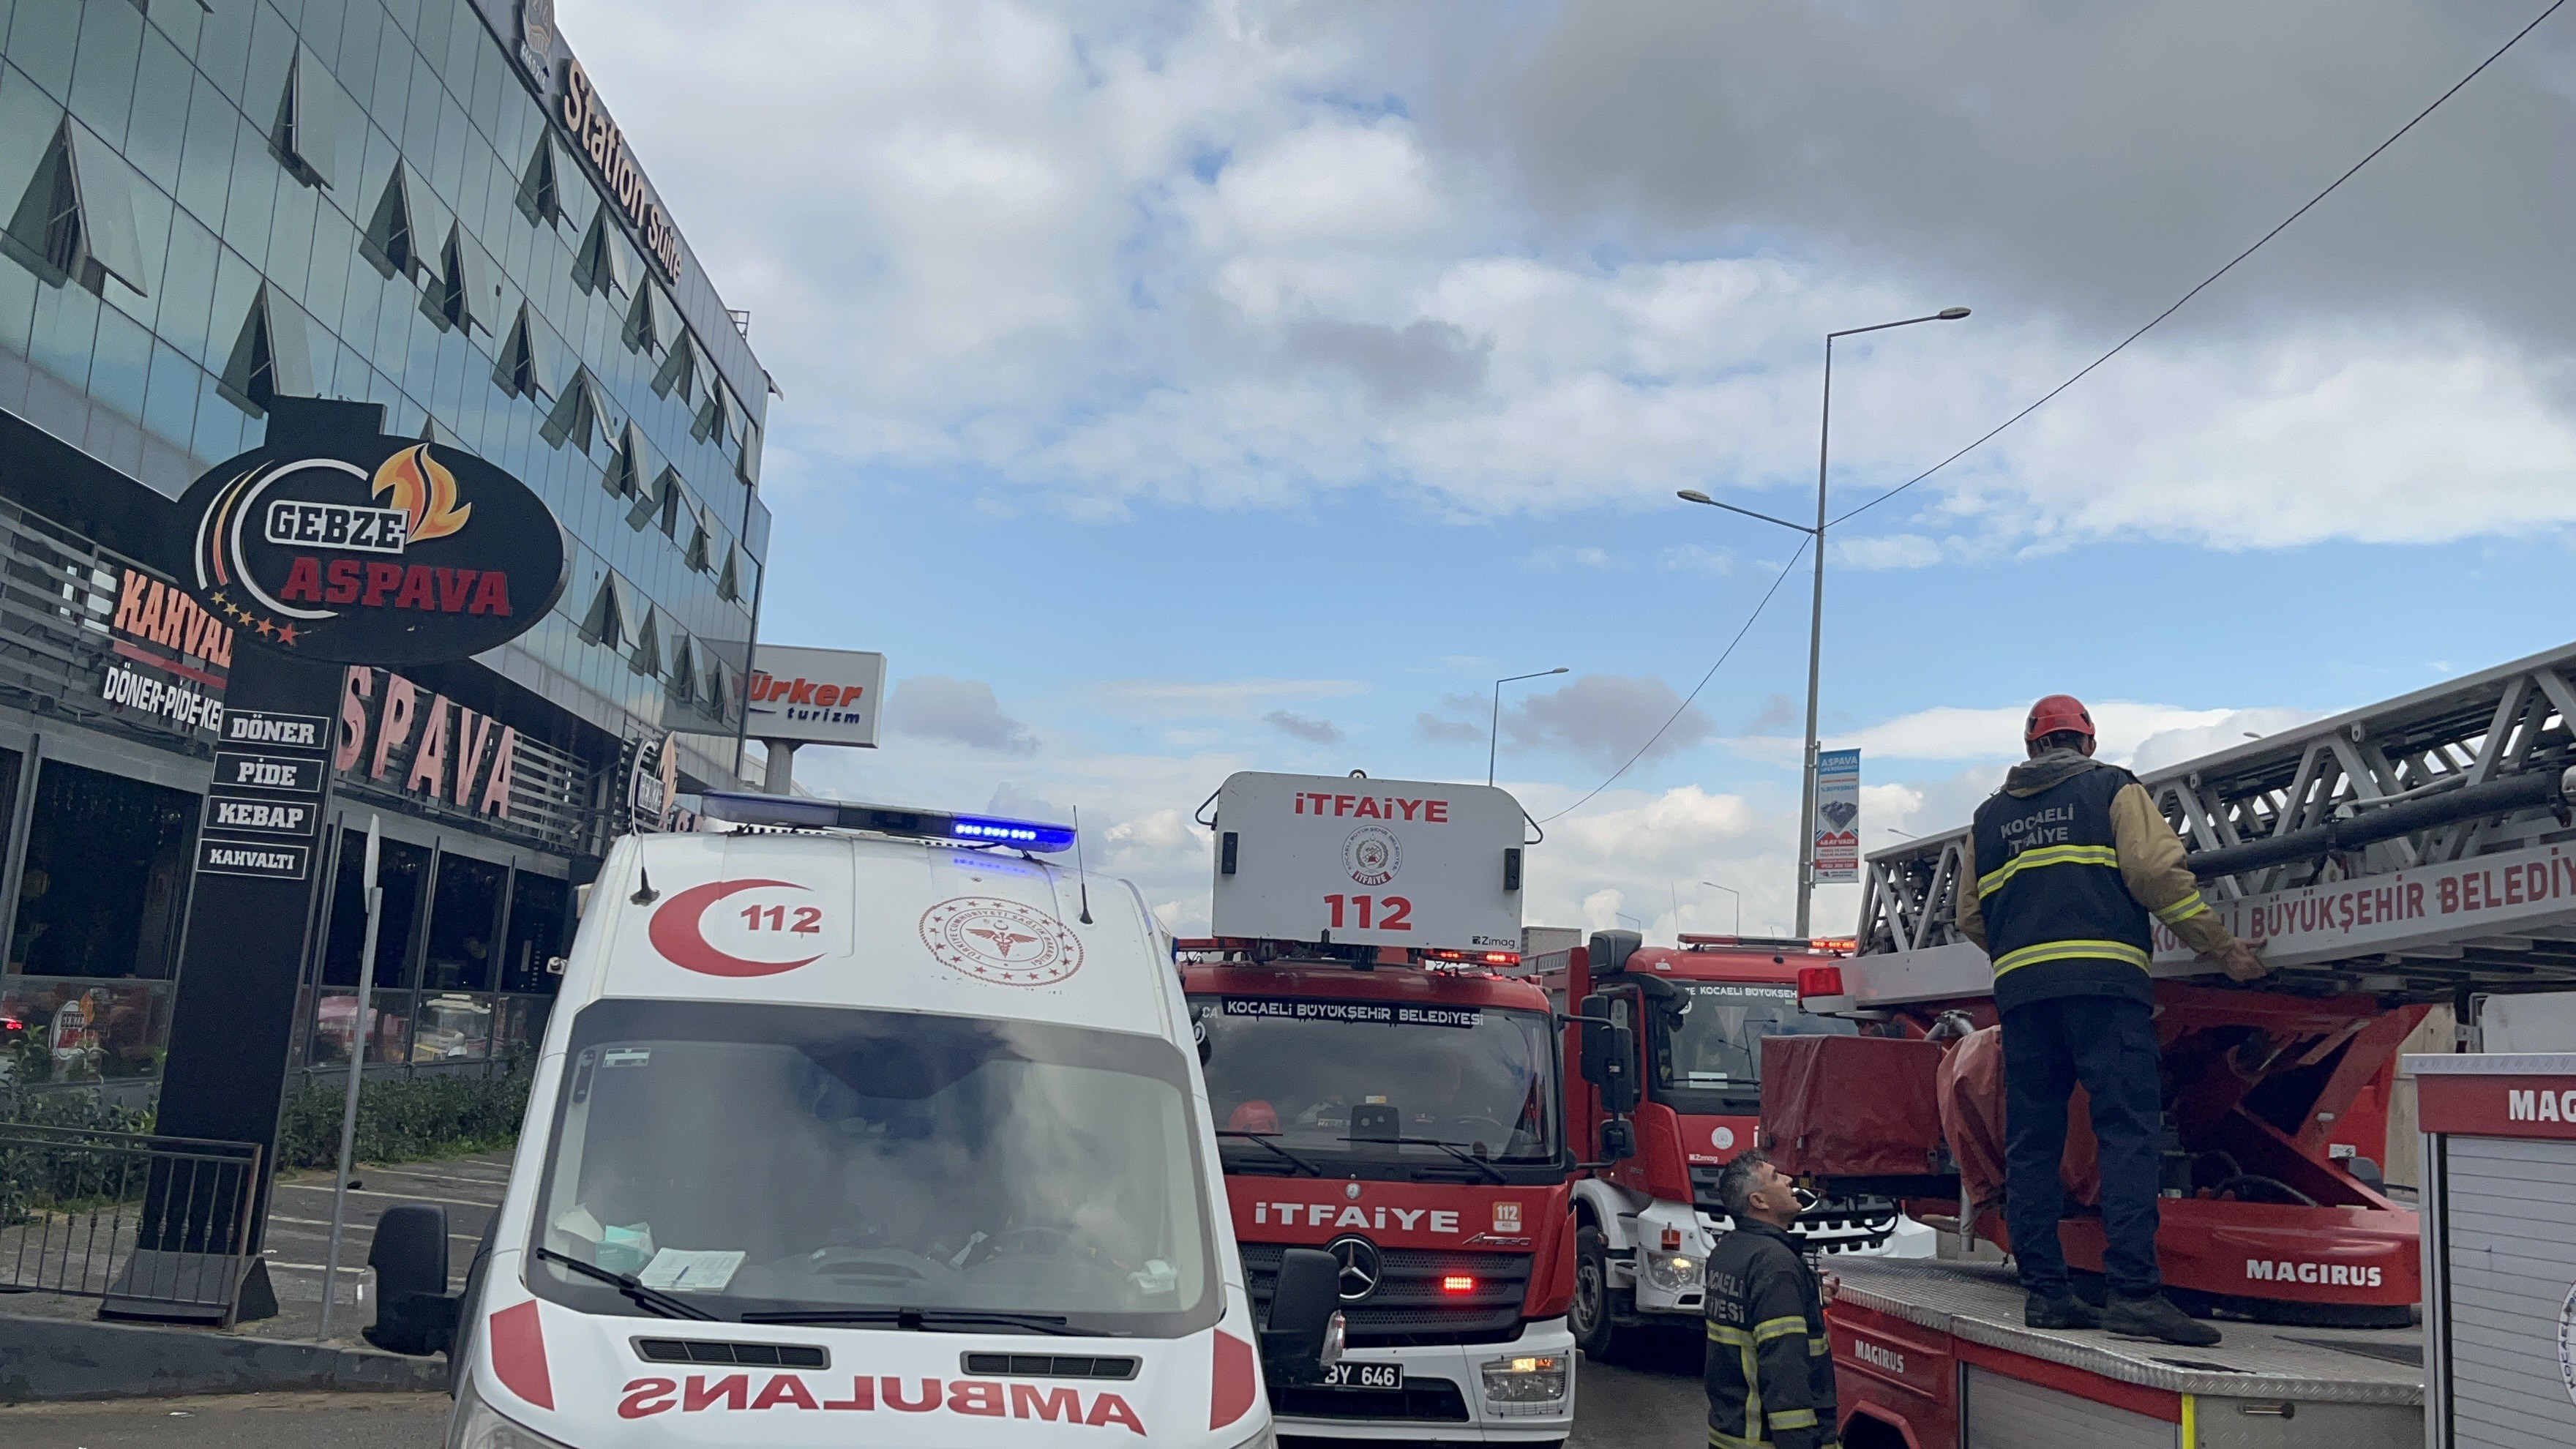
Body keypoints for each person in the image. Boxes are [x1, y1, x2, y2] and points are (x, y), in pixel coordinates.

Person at [1957, 694, 2267, 1347]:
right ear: (2087, 743)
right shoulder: (2112, 791)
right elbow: (2156, 874)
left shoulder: (1987, 820)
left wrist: (2026, 958)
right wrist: (2221, 948)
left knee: (2032, 1144)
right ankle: (2134, 1294)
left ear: (2031, 745)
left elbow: (1969, 916)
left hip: (2024, 997)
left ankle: (2045, 1294)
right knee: (2125, 1134)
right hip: (2105, 989)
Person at [1704, 1150, 1836, 1449]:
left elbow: (1749, 1317)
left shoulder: (1727, 1252)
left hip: (1730, 1436)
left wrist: (1804, 1297)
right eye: (1776, 1177)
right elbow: (1784, 1367)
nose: (1790, 1181)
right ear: (1759, 1201)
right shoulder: (1775, 1264)